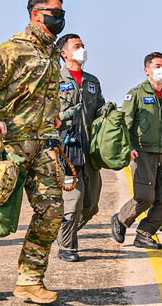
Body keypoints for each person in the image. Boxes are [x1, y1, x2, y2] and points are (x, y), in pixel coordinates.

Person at [0, 0, 66, 303]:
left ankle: (29, 281)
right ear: (37, 14)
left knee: (52, 212)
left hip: (43, 145)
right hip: (10, 146)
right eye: (56, 12)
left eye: (62, 12)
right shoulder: (13, 49)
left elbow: (42, 97)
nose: (60, 18)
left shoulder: (51, 54)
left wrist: (54, 119)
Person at [111, 52, 162, 250]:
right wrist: (127, 148)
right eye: (156, 66)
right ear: (147, 70)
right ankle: (121, 219)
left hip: (161, 152)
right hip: (141, 152)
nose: (161, 70)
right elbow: (125, 124)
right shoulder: (136, 93)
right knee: (145, 196)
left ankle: (144, 234)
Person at [55, 33, 105, 262]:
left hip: (90, 151)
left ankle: (64, 233)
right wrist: (66, 114)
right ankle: (67, 246)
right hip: (66, 150)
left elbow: (100, 108)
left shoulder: (92, 81)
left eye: (83, 45)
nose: (82, 49)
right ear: (64, 52)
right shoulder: (54, 79)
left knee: (91, 204)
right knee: (73, 201)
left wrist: (109, 112)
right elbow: (47, 114)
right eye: (77, 46)